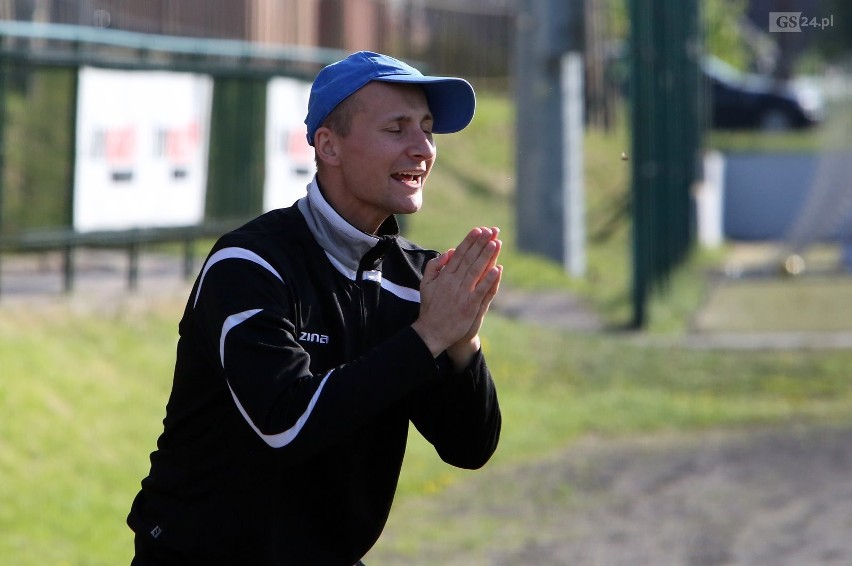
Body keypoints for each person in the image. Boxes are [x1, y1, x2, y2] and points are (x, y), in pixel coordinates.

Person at [128, 50, 503, 565]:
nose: (423, 149)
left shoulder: (417, 279)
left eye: (427, 128)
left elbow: (469, 448)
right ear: (328, 145)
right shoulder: (250, 263)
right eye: (397, 128)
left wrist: (463, 342)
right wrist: (429, 335)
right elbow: (289, 423)